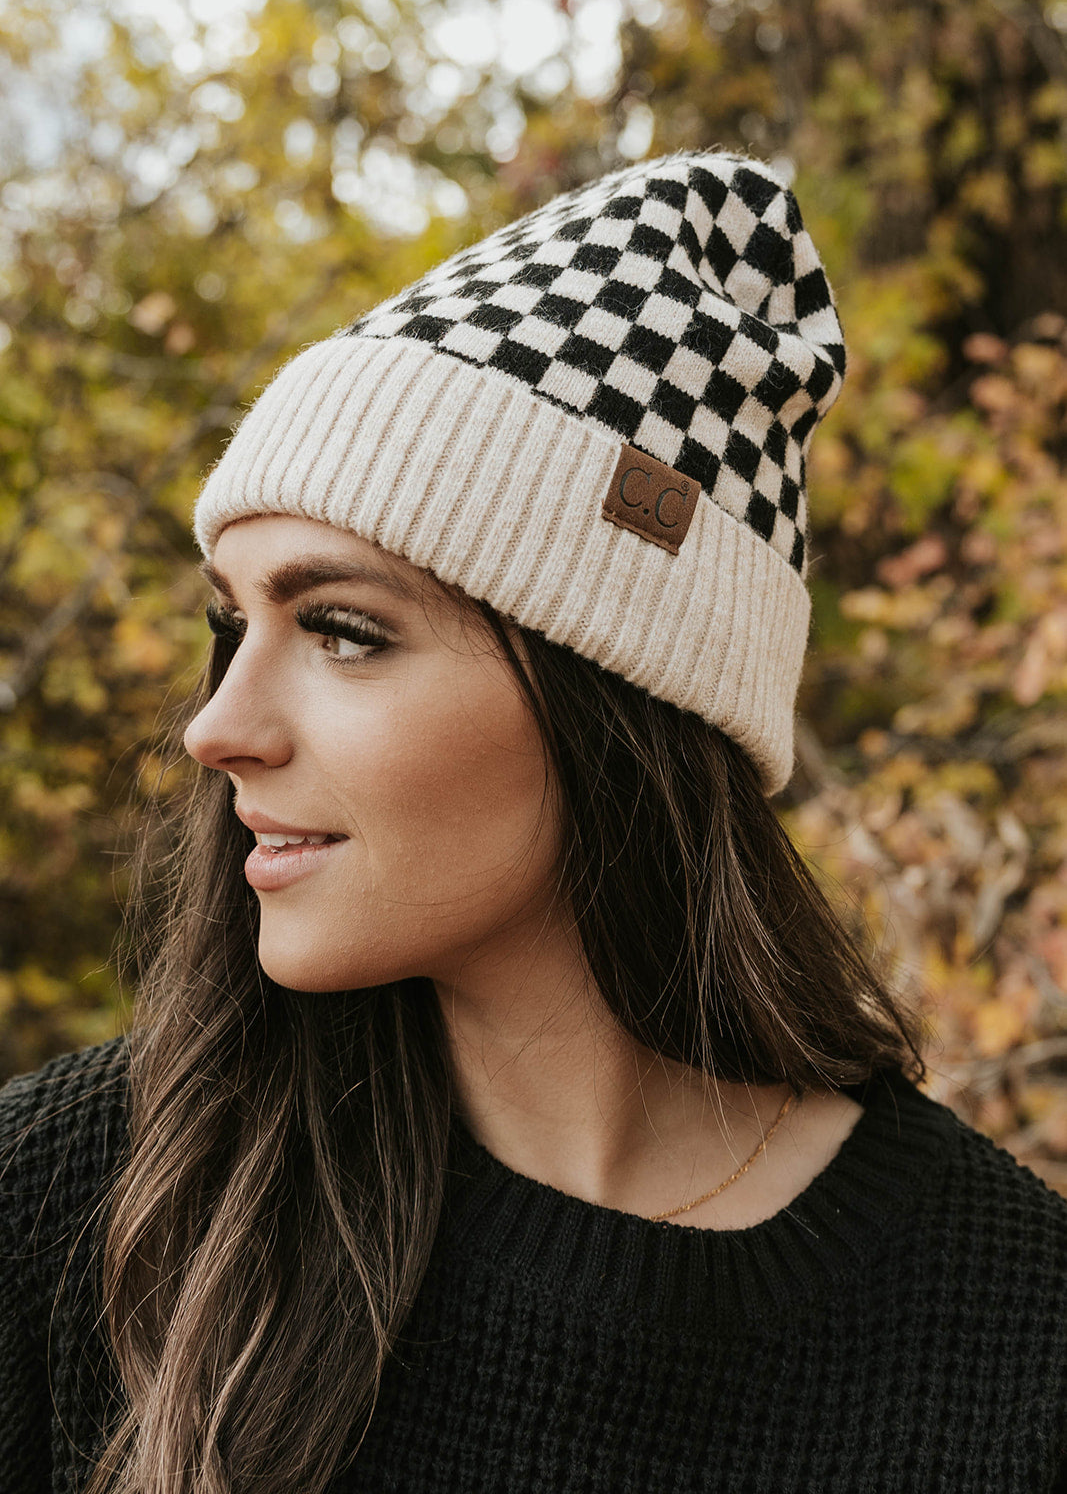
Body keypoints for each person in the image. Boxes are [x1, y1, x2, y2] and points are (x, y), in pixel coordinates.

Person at [1, 149, 1065, 1494]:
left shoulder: (1017, 1341)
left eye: (343, 631)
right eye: (232, 625)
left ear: (614, 702)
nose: (217, 727)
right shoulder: (75, 1206)